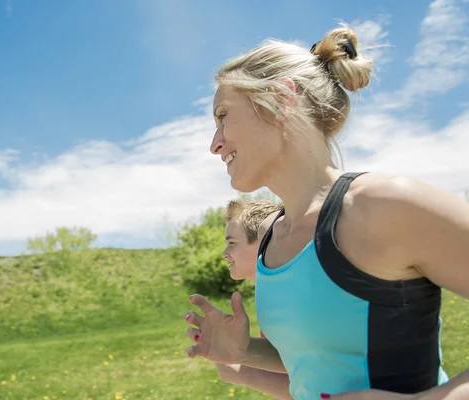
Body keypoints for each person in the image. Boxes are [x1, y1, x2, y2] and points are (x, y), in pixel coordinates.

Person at [184, 23, 469, 400]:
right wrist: (245, 352)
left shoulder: (383, 206)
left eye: (223, 115)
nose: (214, 144)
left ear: (281, 98)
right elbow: (321, 362)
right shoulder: (274, 240)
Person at [215, 199, 292, 399]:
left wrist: (241, 372)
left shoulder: (284, 300)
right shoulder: (274, 293)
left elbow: (311, 385)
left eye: (232, 243)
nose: (225, 254)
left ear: (263, 240)